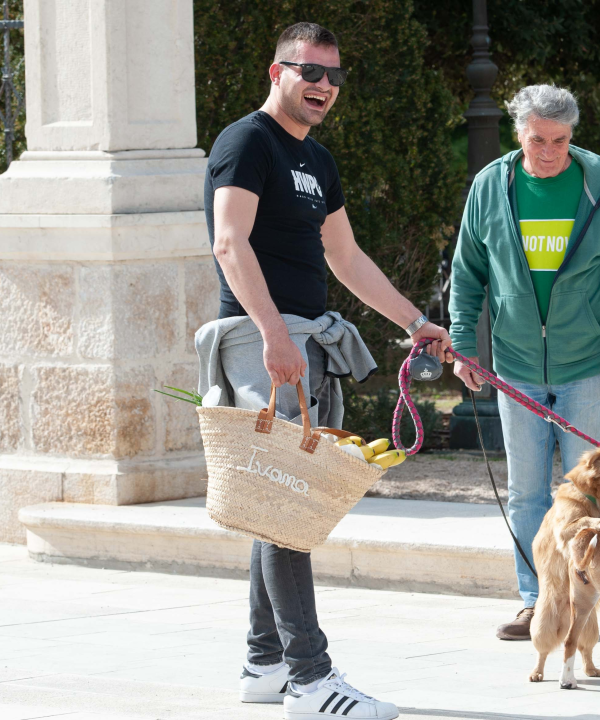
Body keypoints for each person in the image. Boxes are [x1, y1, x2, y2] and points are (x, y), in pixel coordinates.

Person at [204, 22, 449, 720]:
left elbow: (346, 258)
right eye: (310, 71)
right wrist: (274, 334)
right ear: (274, 70)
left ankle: (264, 664)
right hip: (264, 339)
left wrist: (412, 322)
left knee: (280, 497)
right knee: (286, 498)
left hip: (303, 340)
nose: (323, 87)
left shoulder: (317, 161)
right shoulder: (246, 141)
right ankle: (311, 680)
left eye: (334, 77)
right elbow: (229, 241)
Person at [447, 84, 600, 641]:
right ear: (520, 134)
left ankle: (598, 597)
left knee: (596, 494)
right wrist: (465, 343)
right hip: (515, 368)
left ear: (572, 136)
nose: (548, 152)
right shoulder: (491, 187)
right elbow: (467, 274)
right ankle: (537, 602)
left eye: (560, 141)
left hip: (588, 364)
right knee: (529, 493)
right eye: (538, 139)